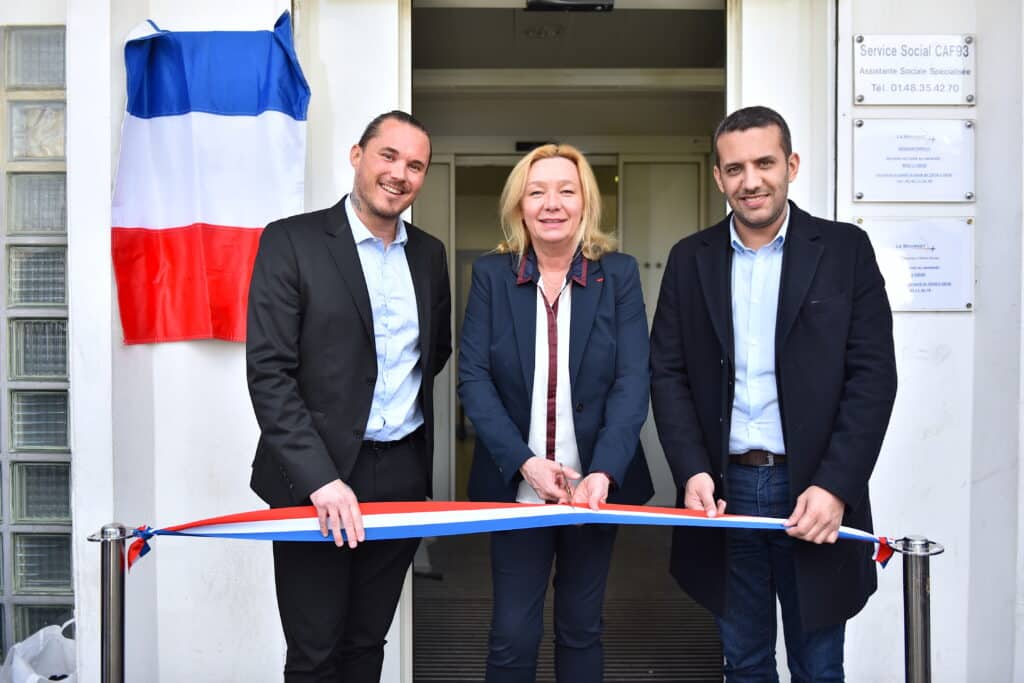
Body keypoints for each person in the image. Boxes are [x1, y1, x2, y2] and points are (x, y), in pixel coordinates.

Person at [650, 106, 897, 681]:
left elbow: (872, 377)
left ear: (791, 165)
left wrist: (836, 486)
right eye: (734, 168)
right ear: (718, 178)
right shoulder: (691, 259)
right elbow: (668, 373)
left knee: (818, 666)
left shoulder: (844, 251)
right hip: (724, 492)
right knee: (745, 662)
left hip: (811, 490)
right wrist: (691, 470)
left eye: (764, 163)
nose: (750, 180)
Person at [246, 110, 451, 682]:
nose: (400, 174)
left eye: (416, 165)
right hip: (314, 480)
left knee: (367, 643)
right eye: (388, 156)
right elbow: (269, 372)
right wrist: (319, 477)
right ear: (357, 156)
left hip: (402, 477)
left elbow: (431, 355)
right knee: (314, 652)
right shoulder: (292, 240)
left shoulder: (429, 256)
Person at [458, 143, 654, 682]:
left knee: (581, 628)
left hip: (594, 489)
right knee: (511, 637)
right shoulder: (493, 276)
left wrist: (603, 472)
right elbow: (473, 380)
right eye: (537, 191)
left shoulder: (617, 274)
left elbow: (632, 382)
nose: (552, 203)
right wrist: (525, 462)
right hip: (518, 488)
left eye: (566, 190)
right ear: (519, 204)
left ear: (585, 202)